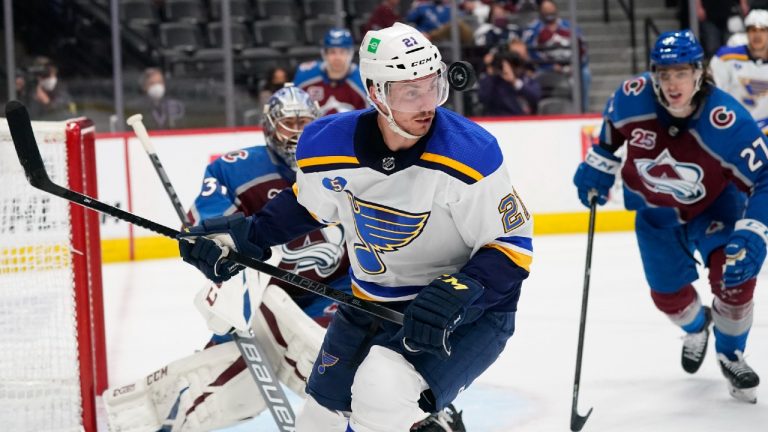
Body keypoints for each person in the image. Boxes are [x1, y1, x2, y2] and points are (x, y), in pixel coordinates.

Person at [177, 22, 532, 432]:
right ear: (377, 93)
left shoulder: (471, 153)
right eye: (409, 91)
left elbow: (511, 247)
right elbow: (308, 205)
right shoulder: (327, 146)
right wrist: (243, 237)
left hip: (466, 315)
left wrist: (460, 292)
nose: (427, 104)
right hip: (369, 304)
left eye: (432, 86)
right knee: (321, 419)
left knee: (380, 386)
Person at [102, 84, 465, 431]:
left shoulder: (345, 163)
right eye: (289, 124)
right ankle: (131, 415)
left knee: (340, 358)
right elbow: (213, 234)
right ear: (269, 127)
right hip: (261, 298)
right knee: (233, 374)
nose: (296, 133)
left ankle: (416, 417)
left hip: (337, 295)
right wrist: (209, 247)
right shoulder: (234, 169)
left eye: (305, 123)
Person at [573, 30, 763, 404]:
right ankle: (697, 328)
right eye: (664, 73)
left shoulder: (728, 121)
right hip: (654, 213)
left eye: (681, 73)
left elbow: (766, 176)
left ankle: (730, 353)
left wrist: (756, 231)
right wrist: (601, 160)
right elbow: (611, 129)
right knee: (668, 298)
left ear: (699, 73)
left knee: (736, 278)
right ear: (653, 74)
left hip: (715, 207)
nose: (672, 83)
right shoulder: (631, 98)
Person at [522, 0, 590, 111]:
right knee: (531, 78)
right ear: (540, 12)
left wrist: (576, 65)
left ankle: (582, 110)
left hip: (571, 65)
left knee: (585, 73)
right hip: (545, 67)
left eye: (550, 9)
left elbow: (583, 47)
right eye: (545, 10)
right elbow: (530, 51)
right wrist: (551, 67)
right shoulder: (534, 29)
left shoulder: (569, 26)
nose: (549, 12)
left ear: (556, 10)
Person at [711, 9, 768, 134]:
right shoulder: (726, 57)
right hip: (733, 128)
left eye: (762, 30)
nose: (757, 35)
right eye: (753, 30)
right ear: (746, 33)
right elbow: (713, 93)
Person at [293, 28, 368, 115]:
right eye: (332, 52)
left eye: (342, 52)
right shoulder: (306, 75)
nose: (337, 57)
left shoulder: (363, 79)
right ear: (324, 54)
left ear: (350, 53)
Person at [479, 50, 542, 115]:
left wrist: (514, 81)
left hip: (521, 120)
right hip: (496, 120)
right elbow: (483, 99)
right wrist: (491, 74)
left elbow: (535, 97)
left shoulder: (525, 79)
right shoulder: (492, 80)